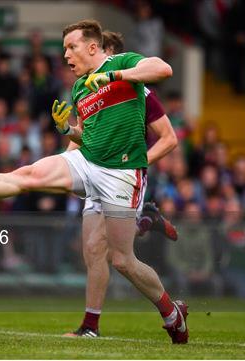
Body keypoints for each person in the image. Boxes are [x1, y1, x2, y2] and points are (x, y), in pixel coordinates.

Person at [0, 19, 188, 344]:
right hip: (89, 162)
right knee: (31, 176)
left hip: (122, 174)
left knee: (122, 260)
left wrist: (115, 75)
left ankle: (171, 312)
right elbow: (86, 137)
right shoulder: (79, 88)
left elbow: (163, 69)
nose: (65, 55)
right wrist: (68, 130)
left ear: (93, 47)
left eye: (71, 47)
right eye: (64, 49)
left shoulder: (122, 64)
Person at [62, 30, 179, 338]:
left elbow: (169, 138)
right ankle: (90, 325)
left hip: (123, 173)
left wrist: (132, 166)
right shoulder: (86, 91)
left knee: (117, 256)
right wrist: (67, 145)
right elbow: (84, 138)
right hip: (96, 172)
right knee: (92, 250)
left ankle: (92, 326)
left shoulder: (137, 87)